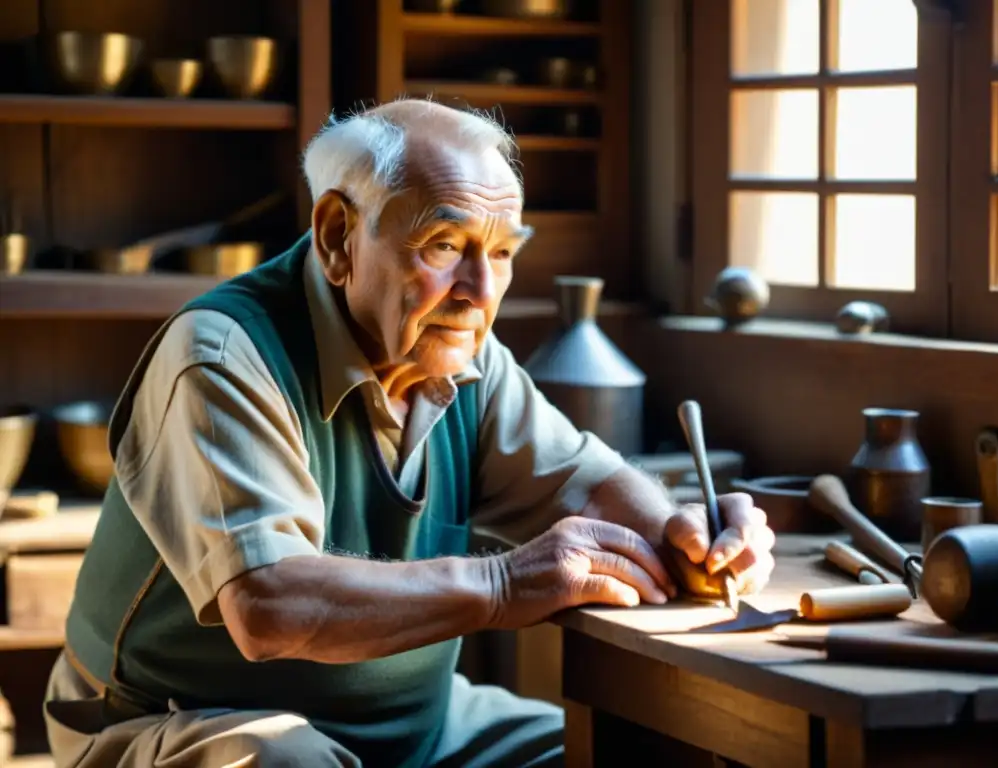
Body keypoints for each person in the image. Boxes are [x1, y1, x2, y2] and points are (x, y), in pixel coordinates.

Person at [43, 98, 776, 768]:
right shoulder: (224, 355)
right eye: (445, 245)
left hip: (418, 728)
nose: (480, 294)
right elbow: (270, 606)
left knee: (641, 750)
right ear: (337, 238)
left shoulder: (463, 354)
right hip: (182, 722)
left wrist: (693, 534)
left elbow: (585, 487)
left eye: (502, 253)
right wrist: (500, 583)